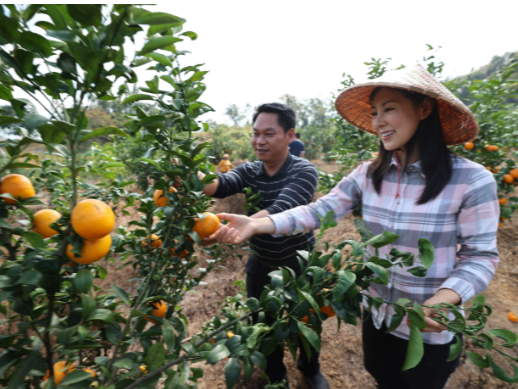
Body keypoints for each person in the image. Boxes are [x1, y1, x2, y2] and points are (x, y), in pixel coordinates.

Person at [209, 64, 499, 389]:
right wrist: (257, 224)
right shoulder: (368, 174)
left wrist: (444, 299)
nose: (378, 122)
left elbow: (480, 257)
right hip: (377, 316)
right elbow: (319, 211)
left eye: (389, 109)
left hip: (427, 328)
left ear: (424, 109)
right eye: (375, 113)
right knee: (380, 375)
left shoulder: (471, 180)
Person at [201, 103, 329, 389]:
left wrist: (247, 225)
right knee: (264, 323)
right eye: (256, 133)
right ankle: (275, 376)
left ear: (290, 135)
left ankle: (310, 369)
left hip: (299, 264)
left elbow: (284, 207)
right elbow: (220, 185)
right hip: (261, 264)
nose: (259, 141)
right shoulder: (249, 171)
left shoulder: (304, 171)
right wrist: (188, 174)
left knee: (306, 322)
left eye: (269, 134)